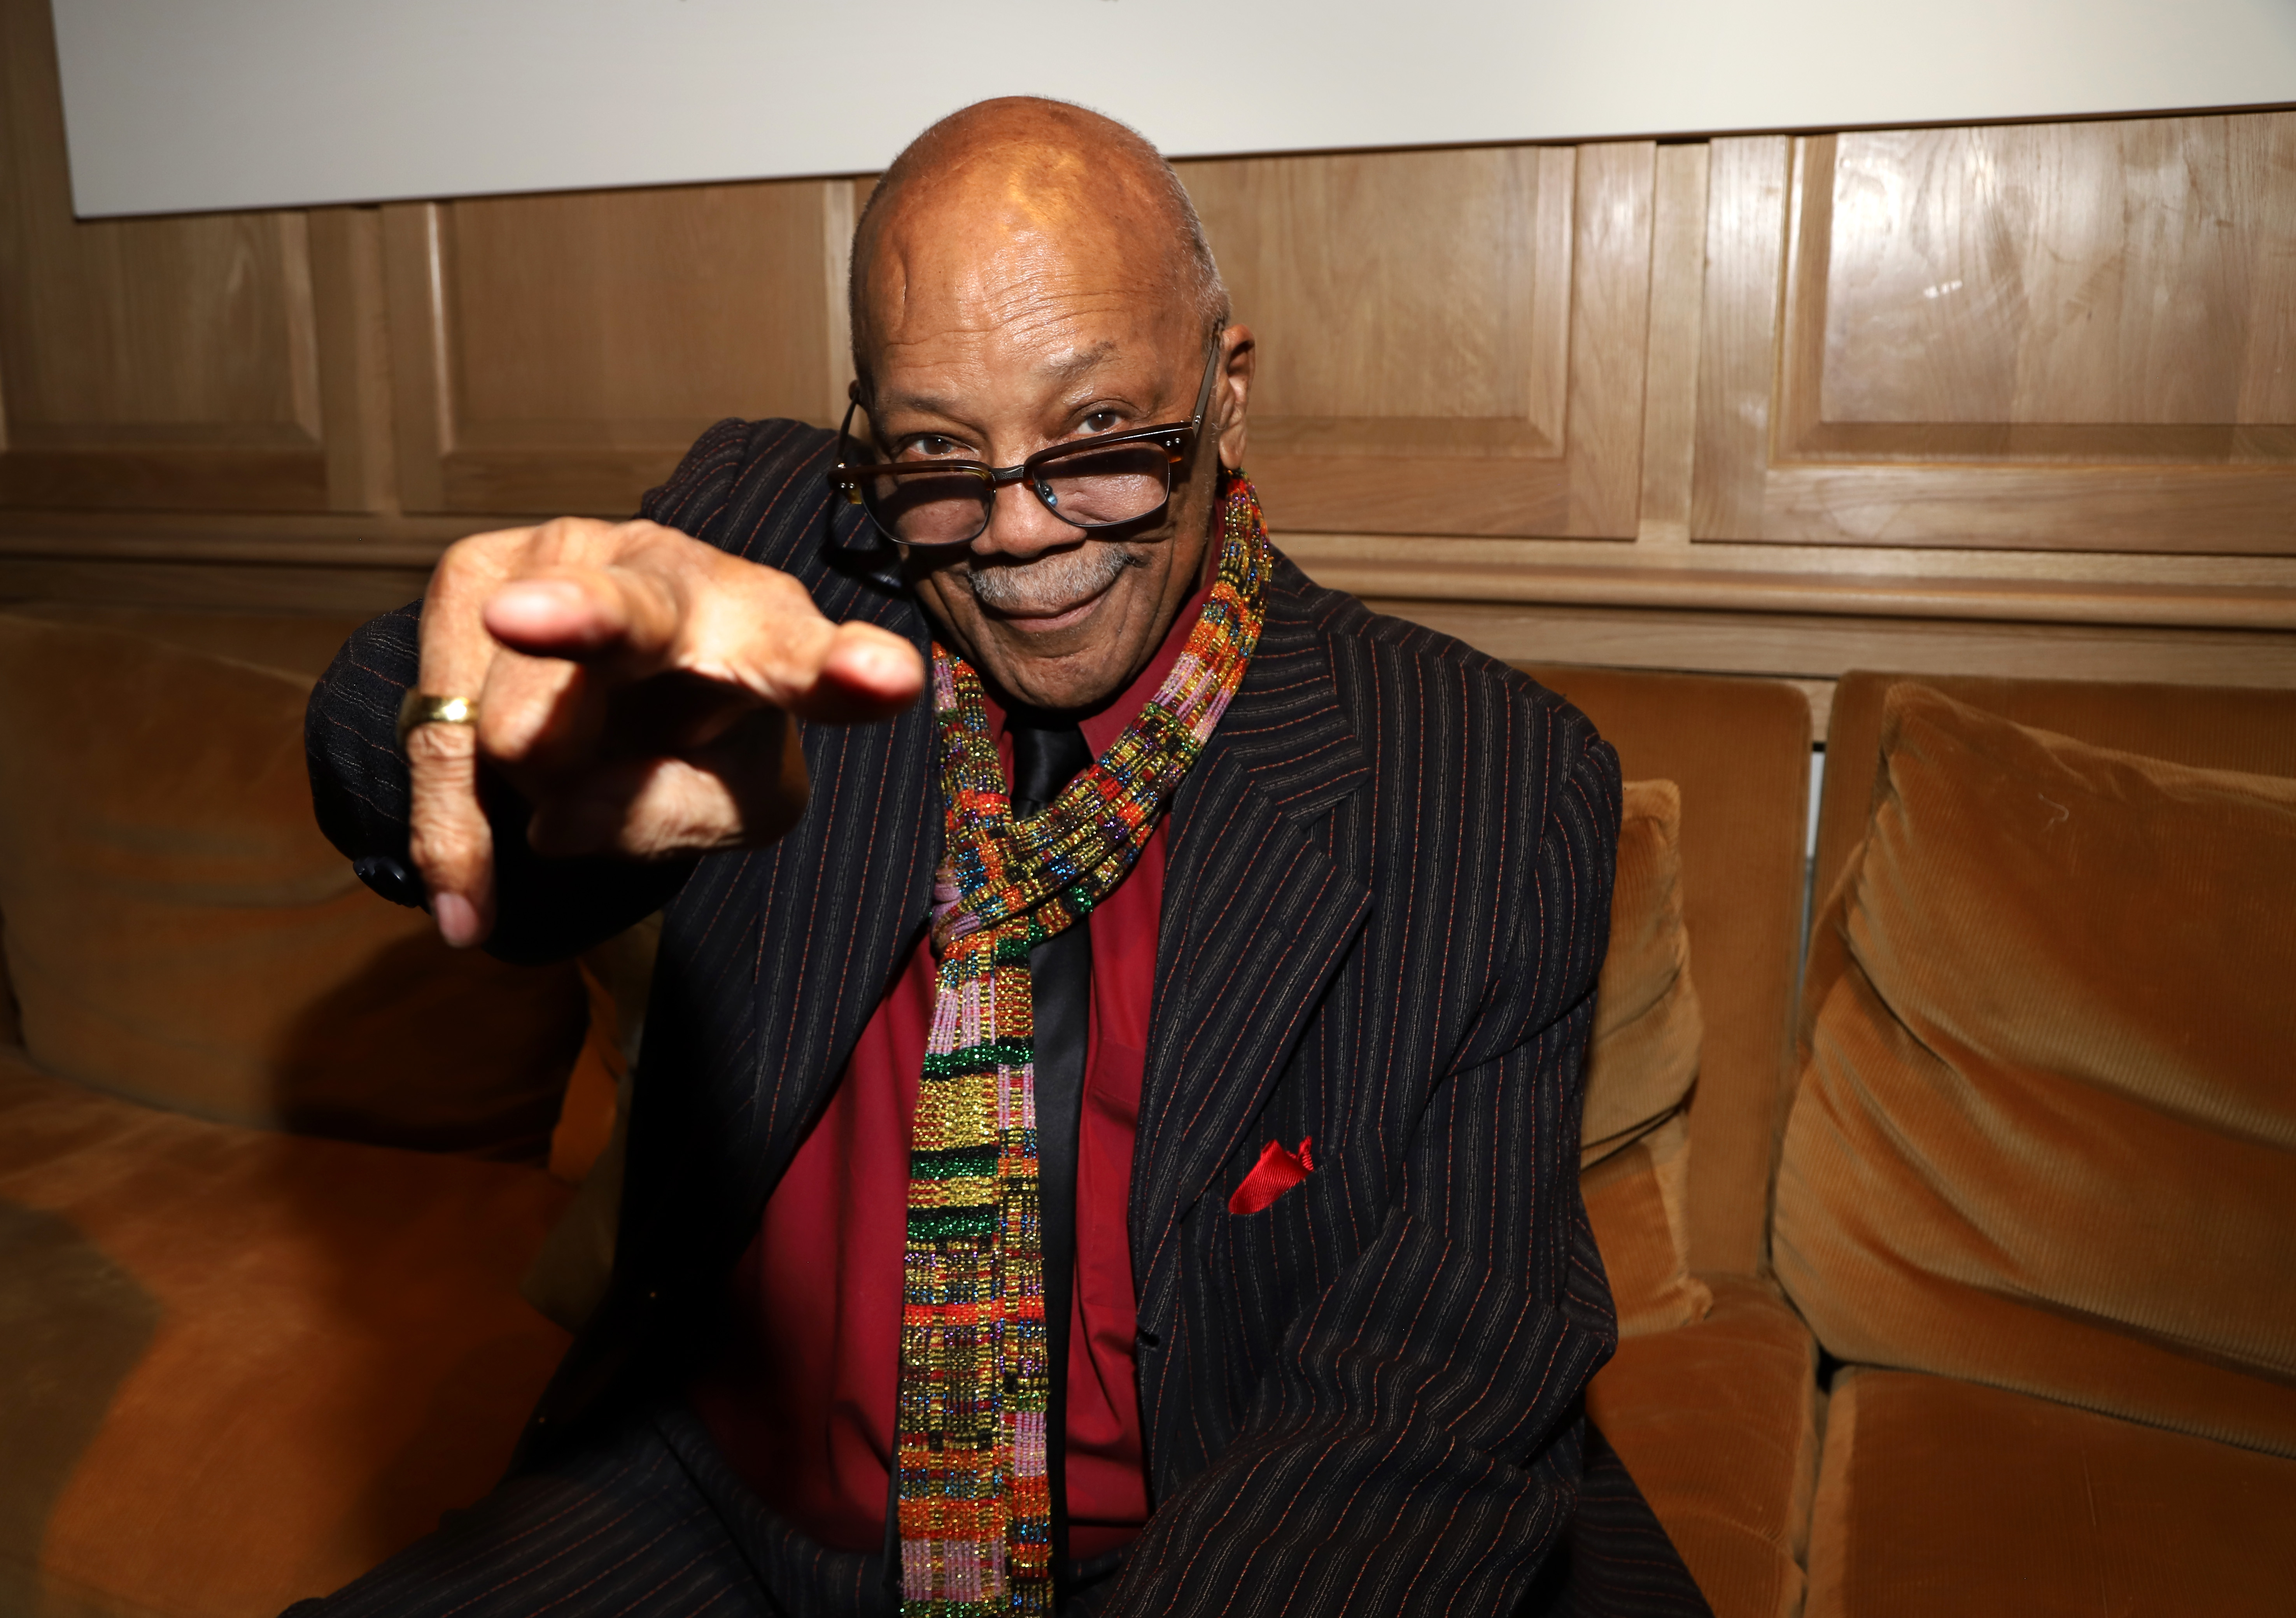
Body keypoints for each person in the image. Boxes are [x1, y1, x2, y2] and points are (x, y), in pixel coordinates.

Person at [299, 97, 1708, 1618]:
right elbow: (427, 740)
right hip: (717, 1505)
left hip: (1205, 1544)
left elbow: (1418, 1403)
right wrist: (474, 731)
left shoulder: (1487, 782)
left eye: (1102, 439)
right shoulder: (778, 554)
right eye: (937, 455)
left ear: (1227, 394)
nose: (1022, 532)